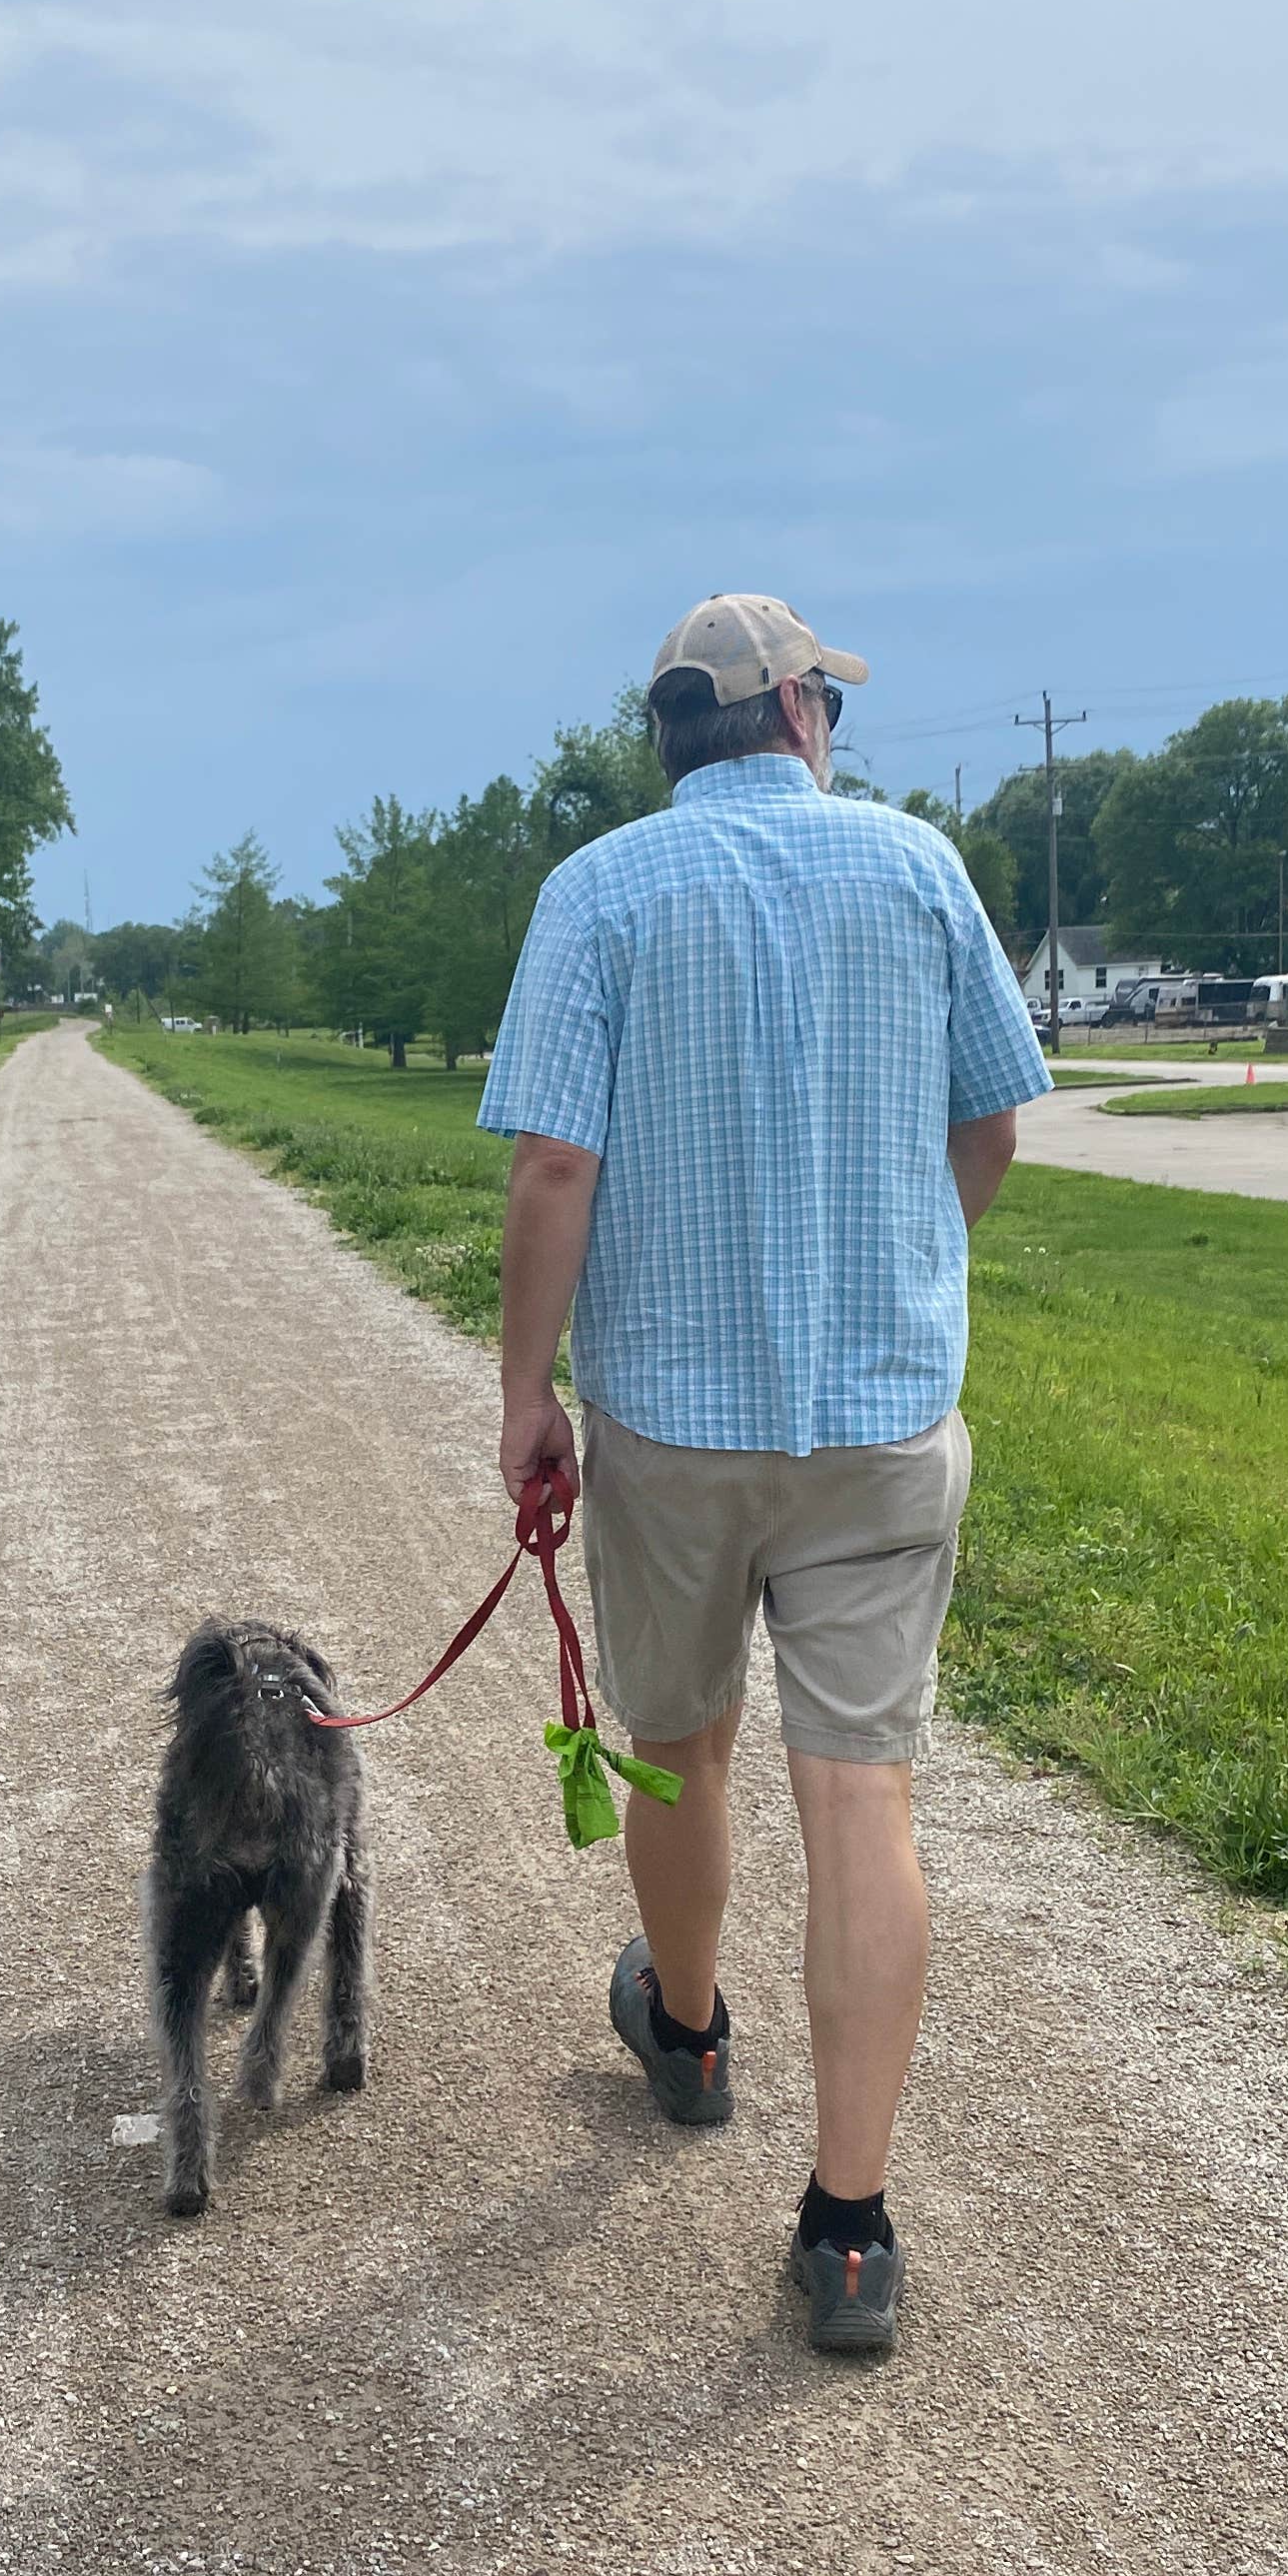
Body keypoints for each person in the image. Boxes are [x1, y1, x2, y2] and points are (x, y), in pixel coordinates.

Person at [478, 593, 1050, 2352]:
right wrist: (913, 1270)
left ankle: (695, 2027)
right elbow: (993, 1122)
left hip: (671, 1415)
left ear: (671, 736)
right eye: (832, 703)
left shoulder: (598, 893)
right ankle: (853, 2224)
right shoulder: (915, 866)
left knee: (678, 1736)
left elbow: (555, 1174)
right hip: (881, 1417)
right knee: (858, 1791)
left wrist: (527, 1398)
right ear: (800, 712)